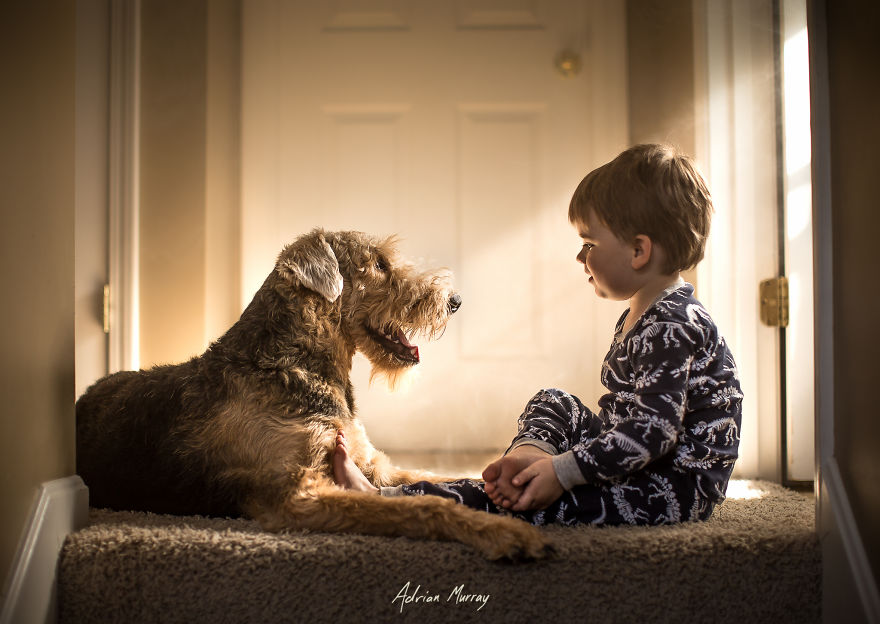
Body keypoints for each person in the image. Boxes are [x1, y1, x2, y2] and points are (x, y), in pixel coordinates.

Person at [333, 143, 743, 526]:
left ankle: (387, 500)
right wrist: (548, 459)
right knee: (554, 401)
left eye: (588, 243)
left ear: (639, 251)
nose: (580, 256)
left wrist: (563, 473)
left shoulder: (672, 325)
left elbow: (651, 434)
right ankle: (525, 463)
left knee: (534, 504)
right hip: (637, 458)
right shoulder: (648, 311)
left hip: (669, 487)